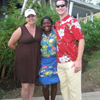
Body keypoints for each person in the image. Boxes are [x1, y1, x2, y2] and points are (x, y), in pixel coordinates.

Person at [8, 9, 42, 100]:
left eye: (32, 16)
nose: (31, 18)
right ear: (25, 18)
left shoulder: (39, 29)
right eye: (28, 16)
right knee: (25, 85)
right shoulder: (21, 29)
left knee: (32, 82)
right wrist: (20, 51)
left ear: (36, 17)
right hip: (23, 60)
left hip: (35, 59)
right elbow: (10, 44)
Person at [54, 0, 85, 100]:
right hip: (60, 63)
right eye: (58, 6)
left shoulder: (73, 21)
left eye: (62, 5)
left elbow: (81, 40)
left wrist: (78, 61)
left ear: (67, 7)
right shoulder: (57, 24)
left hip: (72, 62)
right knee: (64, 92)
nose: (60, 7)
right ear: (56, 8)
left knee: (74, 93)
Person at [38, 16, 60, 100]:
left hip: (55, 62)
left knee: (54, 84)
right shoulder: (40, 35)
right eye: (44, 23)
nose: (46, 25)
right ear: (42, 25)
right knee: (44, 86)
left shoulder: (56, 34)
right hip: (43, 62)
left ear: (51, 24)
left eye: (48, 23)